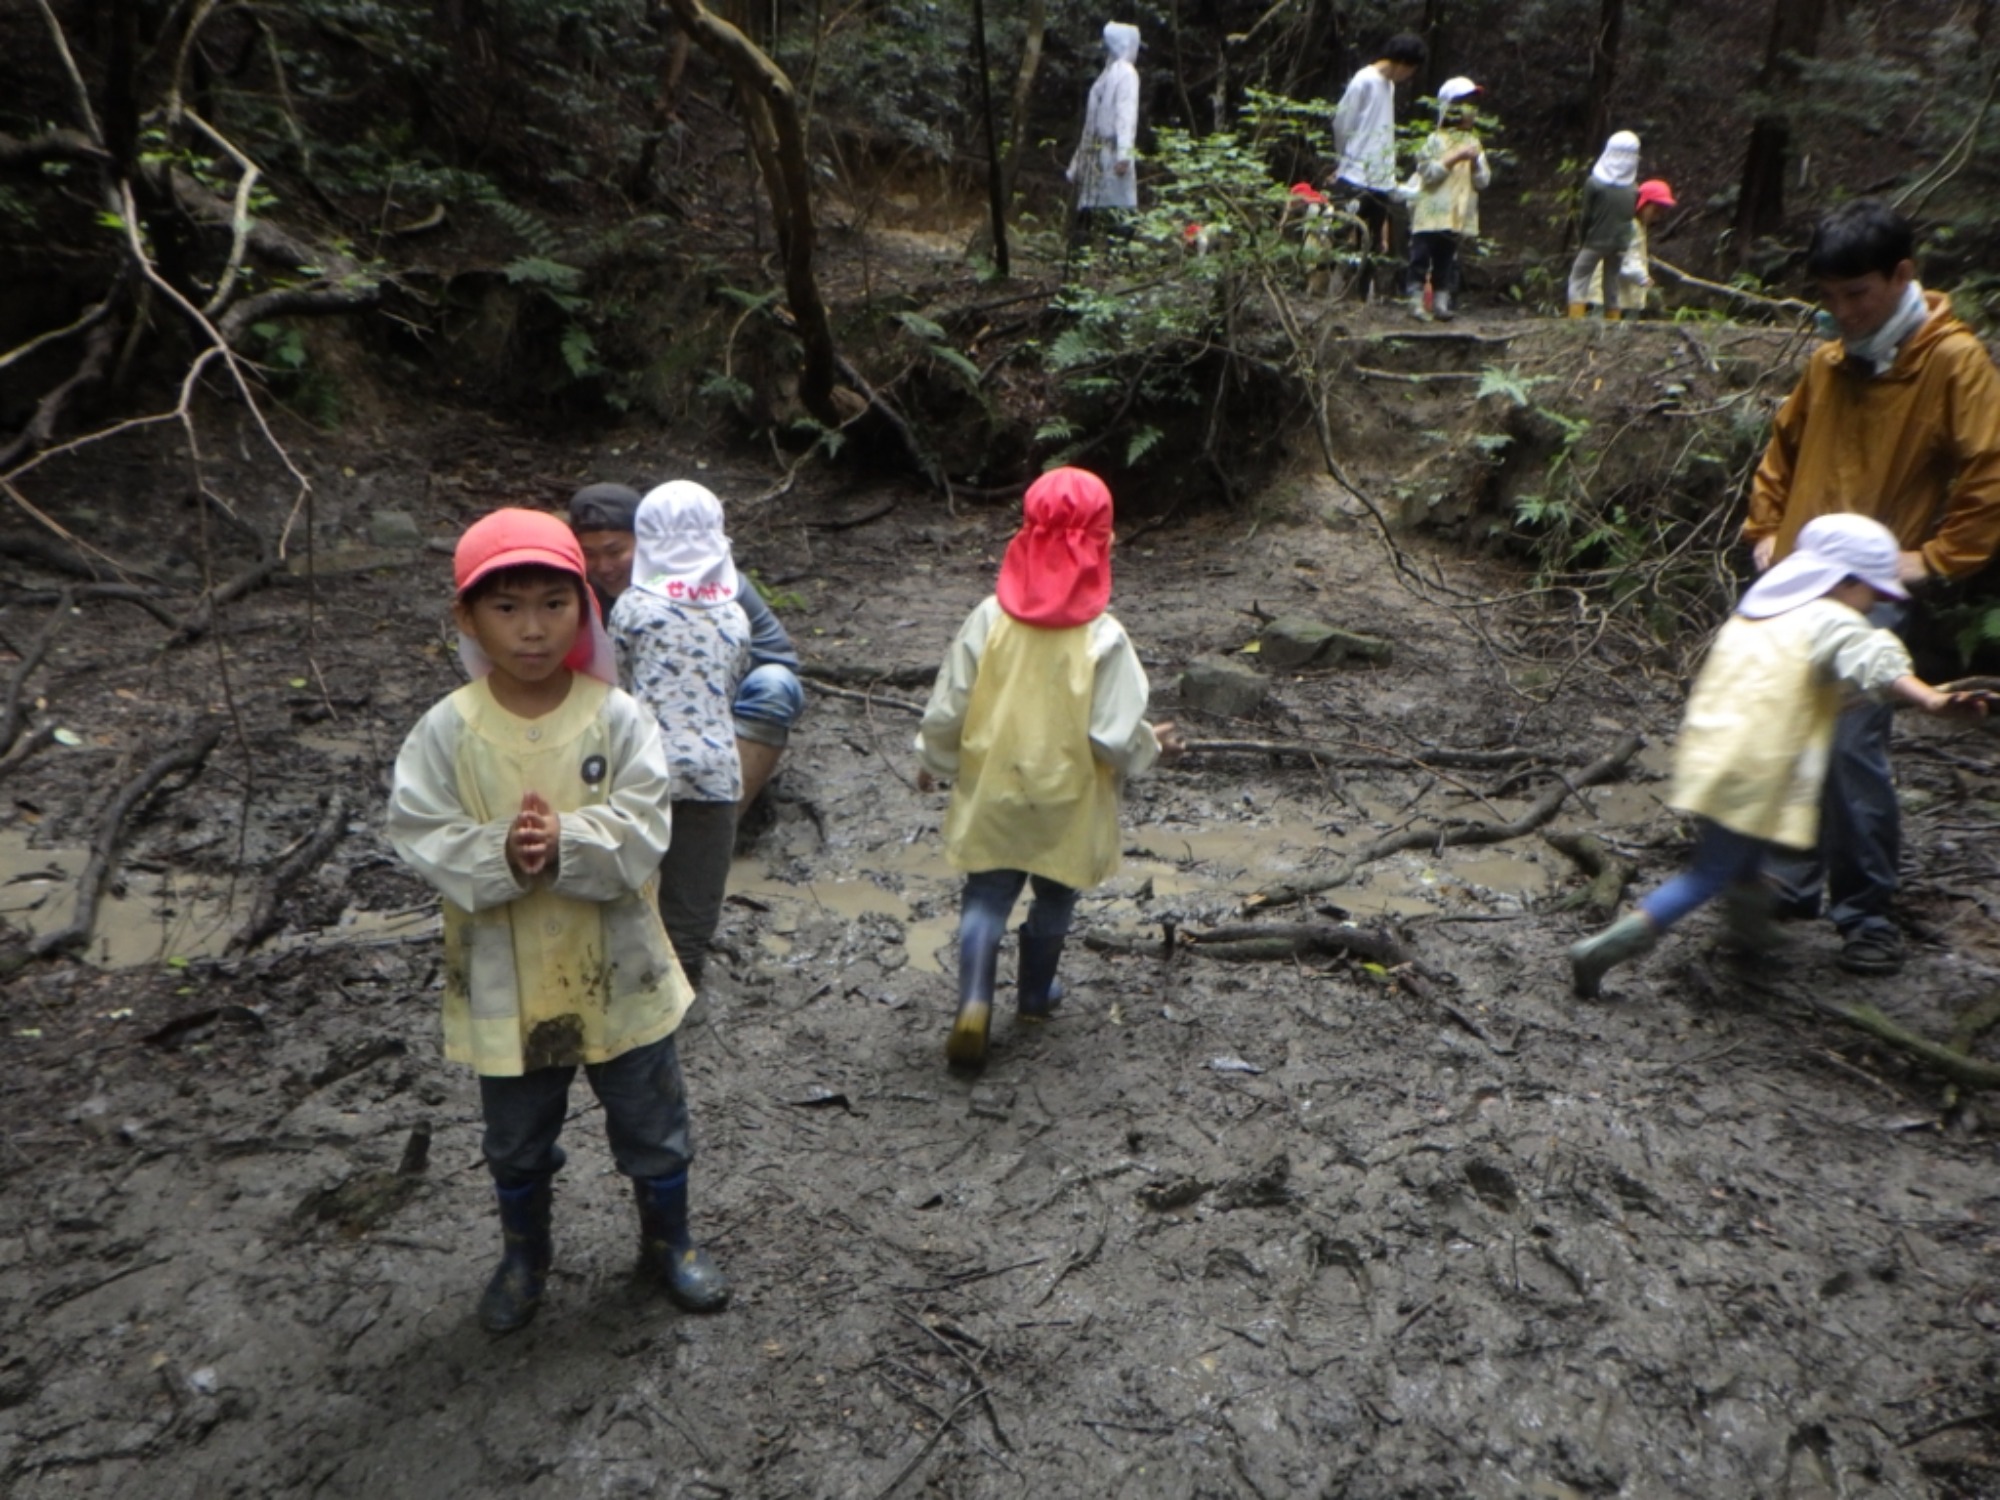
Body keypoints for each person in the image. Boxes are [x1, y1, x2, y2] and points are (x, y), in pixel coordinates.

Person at [385, 508, 728, 1333]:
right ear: (467, 618)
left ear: (585, 607)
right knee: (516, 1135)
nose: (532, 629)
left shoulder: (618, 718)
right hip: (505, 975)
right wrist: (501, 850)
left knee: (652, 1119)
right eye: (506, 609)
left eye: (552, 604)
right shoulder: (447, 732)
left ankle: (667, 1238)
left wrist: (566, 838)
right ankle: (523, 1254)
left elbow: (647, 827)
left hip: (619, 965)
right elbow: (420, 830)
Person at [1569, 515, 1985, 998]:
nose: (1875, 604)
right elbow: (1873, 657)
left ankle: (1751, 928)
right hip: (1759, 767)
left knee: (1740, 852)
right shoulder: (1833, 619)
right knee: (1708, 872)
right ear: (1845, 582)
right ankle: (1609, 946)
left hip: (1713, 753)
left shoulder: (1762, 612)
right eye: (1873, 592)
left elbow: (1803, 686)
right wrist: (1930, 698)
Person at [1742, 198, 2000, 974]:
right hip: (1795, 584)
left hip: (1867, 593)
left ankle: (1865, 913)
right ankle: (1791, 879)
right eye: (1830, 298)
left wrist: (1940, 558)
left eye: (1858, 295)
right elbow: (1782, 451)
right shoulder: (1828, 363)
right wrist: (1763, 531)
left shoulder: (1952, 363)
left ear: (1902, 276)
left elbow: (1990, 473)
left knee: (1853, 747)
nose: (1844, 313)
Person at [914, 467, 1182, 1069]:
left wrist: (934, 758)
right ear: (1104, 544)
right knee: (1055, 893)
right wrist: (1152, 748)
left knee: (986, 891)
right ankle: (1035, 995)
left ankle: (974, 1002)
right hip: (1067, 797)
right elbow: (1111, 738)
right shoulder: (1104, 637)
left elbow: (949, 701)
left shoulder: (989, 619)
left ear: (1025, 535)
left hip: (994, 785)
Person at [569, 482, 804, 815]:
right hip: (622, 714)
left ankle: (728, 821)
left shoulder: (715, 584)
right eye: (589, 555)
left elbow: (778, 661)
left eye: (615, 551)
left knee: (775, 685)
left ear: (647, 543)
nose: (604, 567)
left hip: (717, 713)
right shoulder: (570, 593)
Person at [609, 482, 753, 994]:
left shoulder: (631, 607)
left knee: (633, 883)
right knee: (695, 898)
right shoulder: (735, 616)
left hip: (644, 769)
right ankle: (684, 981)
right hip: (716, 772)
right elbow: (730, 686)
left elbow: (617, 686)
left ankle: (634, 984)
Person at [1331, 33, 1427, 265]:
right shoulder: (1363, 80)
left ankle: (1363, 297)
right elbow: (1342, 123)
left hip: (1380, 180)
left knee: (1373, 245)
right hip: (1355, 173)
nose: (1409, 76)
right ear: (1403, 63)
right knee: (1344, 237)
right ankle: (1334, 294)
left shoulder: (1389, 86)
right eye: (1411, 69)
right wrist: (1342, 160)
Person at [1405, 76, 1490, 322]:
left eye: (1473, 105)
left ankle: (1441, 303)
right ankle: (1414, 301)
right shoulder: (1434, 141)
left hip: (1456, 213)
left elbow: (1483, 181)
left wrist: (1474, 162)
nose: (1470, 112)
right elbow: (1427, 173)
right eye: (1465, 105)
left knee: (1446, 258)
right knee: (1420, 257)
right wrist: (1453, 158)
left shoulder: (1475, 142)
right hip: (1430, 210)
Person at [1067, 22, 1142, 238]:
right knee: (1119, 209)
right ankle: (1112, 262)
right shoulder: (1125, 73)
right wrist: (1124, 155)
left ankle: (1094, 260)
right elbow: (1125, 116)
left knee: (1095, 207)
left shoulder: (1108, 74)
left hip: (1100, 153)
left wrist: (1078, 164)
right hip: (1109, 152)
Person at [1566, 131, 1640, 320]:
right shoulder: (1633, 188)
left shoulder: (1594, 184)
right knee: (1612, 283)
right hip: (1620, 244)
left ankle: (1575, 321)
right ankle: (1613, 321)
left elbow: (1586, 216)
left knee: (1579, 277)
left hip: (1595, 241)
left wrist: (1583, 240)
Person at [1587, 178, 1674, 316]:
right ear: (1643, 203)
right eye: (1655, 211)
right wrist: (1642, 278)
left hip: (1623, 291)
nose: (1657, 217)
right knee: (1605, 328)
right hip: (1610, 290)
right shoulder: (1628, 225)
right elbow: (1623, 258)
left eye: (1660, 213)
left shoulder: (1636, 225)